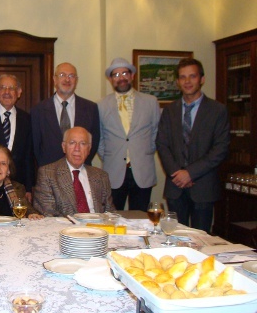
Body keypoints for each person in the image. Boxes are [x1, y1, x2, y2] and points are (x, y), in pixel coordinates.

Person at [156, 58, 230, 233]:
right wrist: (177, 173)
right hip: (176, 187)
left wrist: (190, 173)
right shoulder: (169, 110)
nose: (187, 81)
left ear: (202, 79)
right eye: (183, 77)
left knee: (201, 239)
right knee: (174, 237)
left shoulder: (217, 110)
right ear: (177, 82)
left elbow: (220, 149)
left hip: (203, 187)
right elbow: (162, 144)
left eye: (192, 76)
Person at [98, 58, 160, 211]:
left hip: (142, 171)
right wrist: (109, 156)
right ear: (111, 79)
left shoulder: (151, 102)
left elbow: (156, 133)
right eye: (116, 75)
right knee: (112, 218)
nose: (121, 78)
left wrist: (143, 152)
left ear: (132, 75)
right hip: (114, 171)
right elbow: (99, 138)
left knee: (140, 220)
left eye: (124, 73)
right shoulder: (101, 105)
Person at [34, 127, 115, 217]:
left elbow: (110, 213)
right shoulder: (48, 174)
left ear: (89, 149)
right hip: (64, 228)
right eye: (72, 143)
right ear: (64, 147)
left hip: (97, 227)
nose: (77, 148)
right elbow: (48, 215)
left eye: (83, 143)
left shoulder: (101, 176)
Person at [31, 62, 100, 167]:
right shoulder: (38, 110)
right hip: (49, 172)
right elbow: (36, 146)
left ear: (76, 81)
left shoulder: (91, 108)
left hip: (81, 170)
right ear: (54, 79)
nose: (67, 79)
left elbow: (93, 143)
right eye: (62, 75)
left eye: (71, 76)